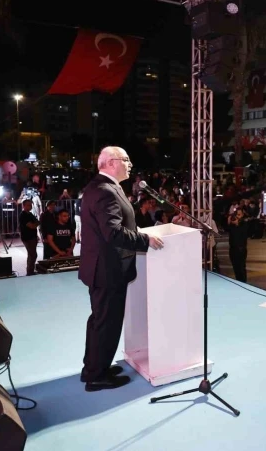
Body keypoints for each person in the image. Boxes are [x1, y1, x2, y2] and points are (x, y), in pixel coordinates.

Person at [79, 147, 164, 391]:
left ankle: (95, 367)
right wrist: (145, 240)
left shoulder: (103, 186)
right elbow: (113, 232)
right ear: (111, 163)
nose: (130, 164)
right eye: (126, 160)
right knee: (106, 322)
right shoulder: (105, 191)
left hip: (103, 268)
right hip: (107, 270)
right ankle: (97, 376)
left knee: (100, 321)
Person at [227, 208, 249, 282]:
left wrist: (237, 225)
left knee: (241, 267)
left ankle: (243, 282)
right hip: (232, 249)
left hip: (241, 249)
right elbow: (228, 231)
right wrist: (229, 222)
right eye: (236, 214)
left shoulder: (244, 223)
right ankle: (238, 281)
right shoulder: (232, 224)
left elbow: (244, 234)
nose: (237, 216)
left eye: (239, 215)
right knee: (235, 267)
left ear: (242, 215)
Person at [19, 200, 39, 275]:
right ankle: (30, 271)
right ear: (23, 206)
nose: (29, 207)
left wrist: (36, 223)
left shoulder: (30, 214)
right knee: (32, 254)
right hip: (27, 237)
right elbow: (32, 225)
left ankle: (31, 270)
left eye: (30, 205)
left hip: (32, 236)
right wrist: (35, 224)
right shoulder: (23, 215)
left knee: (32, 254)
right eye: (28, 205)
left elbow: (37, 222)